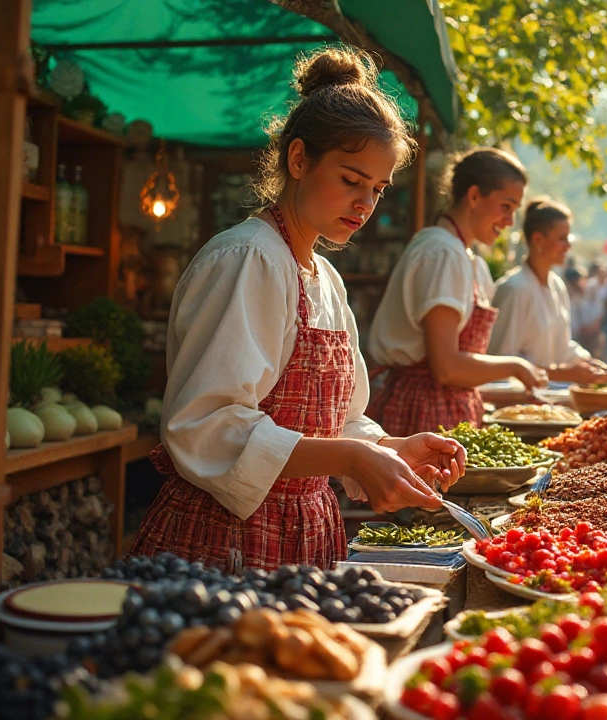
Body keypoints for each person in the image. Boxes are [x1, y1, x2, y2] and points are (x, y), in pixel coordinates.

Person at [129, 48, 465, 572]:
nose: (364, 204)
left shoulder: (324, 278)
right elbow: (205, 425)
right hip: (226, 540)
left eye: (376, 189)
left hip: (306, 530)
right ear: (299, 159)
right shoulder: (248, 259)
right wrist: (352, 458)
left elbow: (340, 422)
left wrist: (390, 446)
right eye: (351, 180)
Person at [366, 147, 548, 436]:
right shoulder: (442, 253)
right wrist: (514, 366)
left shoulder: (464, 256)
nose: (510, 222)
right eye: (506, 206)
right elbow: (446, 368)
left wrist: (505, 394)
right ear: (474, 196)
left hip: (446, 407)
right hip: (421, 412)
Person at [488, 198, 607, 384]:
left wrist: (589, 364)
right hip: (516, 406)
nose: (568, 246)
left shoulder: (557, 285)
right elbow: (501, 365)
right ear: (537, 239)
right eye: (562, 238)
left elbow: (562, 348)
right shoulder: (514, 290)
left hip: (552, 400)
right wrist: (566, 375)